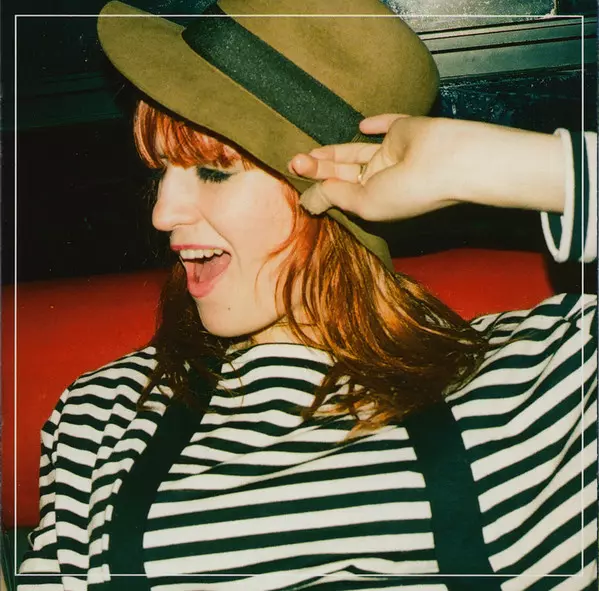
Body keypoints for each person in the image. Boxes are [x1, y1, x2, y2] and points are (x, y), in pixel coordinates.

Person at [17, 0, 596, 589]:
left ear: (336, 183)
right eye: (161, 171)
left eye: (214, 171)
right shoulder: (104, 414)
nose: (163, 214)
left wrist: (489, 165)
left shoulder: (535, 382)